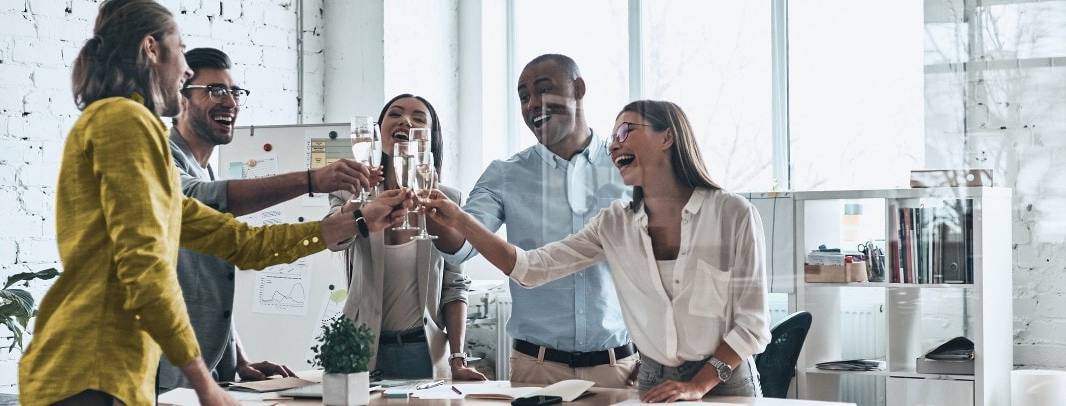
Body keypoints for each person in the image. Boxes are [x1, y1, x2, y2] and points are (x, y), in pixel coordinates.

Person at [18, 2, 409, 405]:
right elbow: (144, 264)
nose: (186, 70)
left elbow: (238, 243)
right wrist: (203, 383)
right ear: (152, 49)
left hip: (105, 376)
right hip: (88, 372)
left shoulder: (128, 127)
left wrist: (358, 221)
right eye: (181, 49)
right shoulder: (124, 121)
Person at [424, 100, 770, 401]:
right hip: (653, 379)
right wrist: (460, 219)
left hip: (723, 380)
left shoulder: (732, 214)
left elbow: (752, 325)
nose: (614, 146)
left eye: (625, 132)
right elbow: (530, 269)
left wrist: (697, 384)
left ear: (668, 136)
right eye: (612, 139)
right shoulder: (615, 223)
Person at [155, 48, 381, 391]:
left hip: (211, 368)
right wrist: (312, 181)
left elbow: (206, 281)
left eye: (235, 92)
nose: (230, 102)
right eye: (216, 90)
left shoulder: (203, 166)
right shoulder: (161, 158)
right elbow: (201, 199)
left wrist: (238, 357)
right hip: (165, 374)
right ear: (181, 98)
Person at [436, 54, 637, 388]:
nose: (533, 104)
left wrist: (657, 356)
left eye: (544, 90)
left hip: (620, 369)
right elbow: (460, 248)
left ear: (579, 88)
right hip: (537, 370)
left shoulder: (627, 169)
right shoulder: (505, 174)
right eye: (524, 97)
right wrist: (430, 207)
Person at [325, 94, 486, 381]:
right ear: (378, 130)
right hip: (361, 346)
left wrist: (457, 358)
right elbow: (333, 240)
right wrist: (359, 202)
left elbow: (454, 286)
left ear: (429, 139)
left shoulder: (447, 200)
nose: (405, 121)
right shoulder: (349, 192)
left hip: (421, 349)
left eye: (418, 118)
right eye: (395, 114)